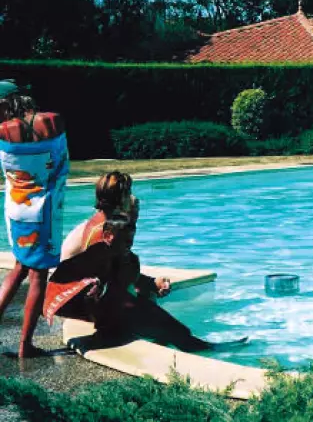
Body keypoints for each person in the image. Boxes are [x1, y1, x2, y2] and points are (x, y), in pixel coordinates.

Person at [43, 213, 221, 353]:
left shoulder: (128, 258)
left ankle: (195, 344)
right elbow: (75, 278)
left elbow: (133, 281)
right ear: (108, 236)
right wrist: (94, 285)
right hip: (72, 301)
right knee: (127, 305)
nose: (129, 245)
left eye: (131, 240)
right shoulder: (97, 253)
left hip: (99, 301)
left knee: (169, 324)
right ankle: (107, 334)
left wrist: (154, 284)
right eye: (125, 240)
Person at [0, 81, 70, 358]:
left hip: (16, 208)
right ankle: (25, 345)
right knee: (38, 275)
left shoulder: (3, 131)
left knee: (19, 267)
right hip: (44, 211)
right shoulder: (51, 121)